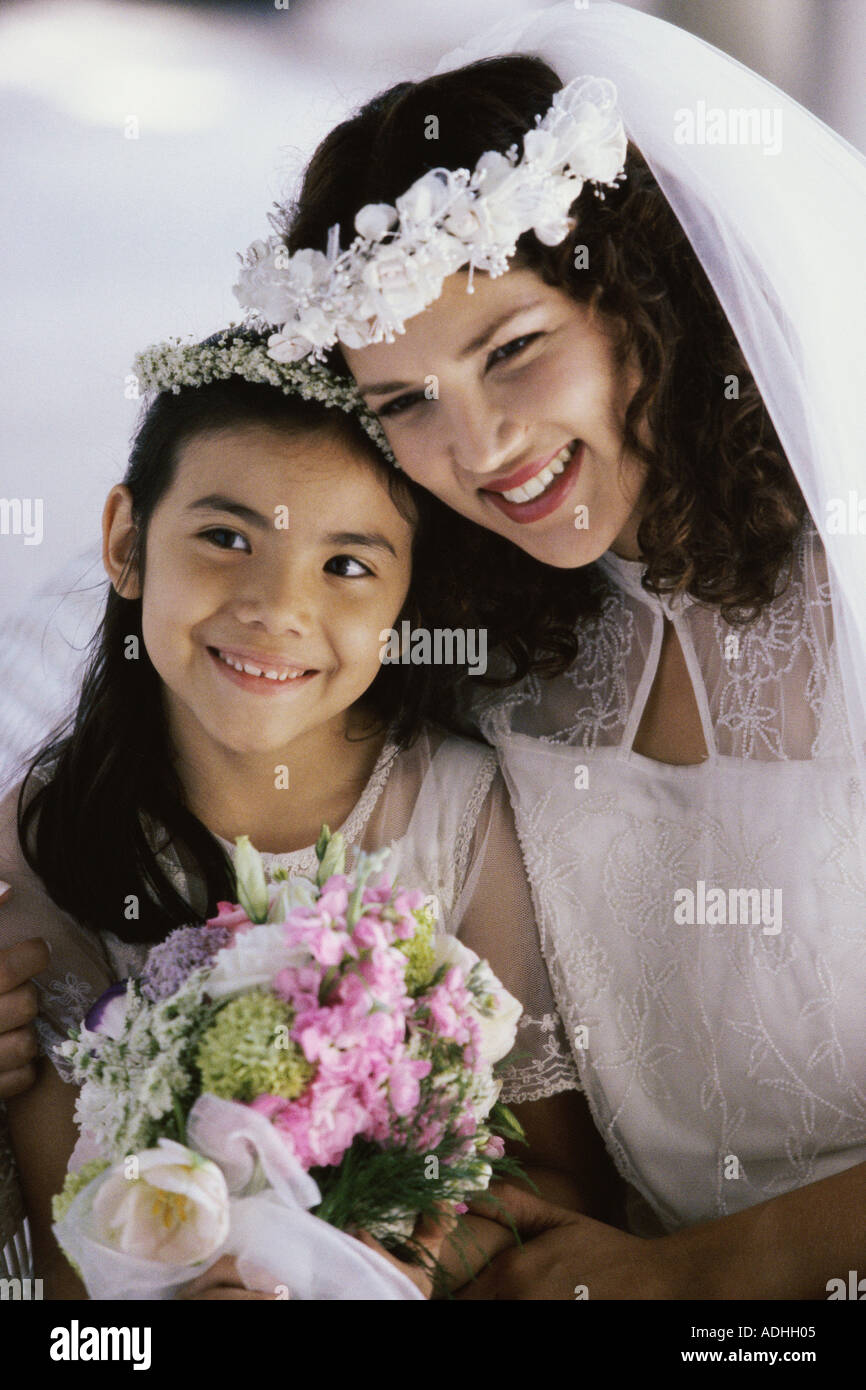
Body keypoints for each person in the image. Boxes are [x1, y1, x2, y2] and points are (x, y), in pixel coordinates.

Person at [214, 5, 866, 1297]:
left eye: (511, 349)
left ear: (639, 305)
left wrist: (697, 1276)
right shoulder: (492, 641)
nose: (478, 446)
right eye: (403, 402)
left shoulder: (847, 572)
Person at [0, 329, 618, 1299]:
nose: (275, 607)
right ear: (126, 541)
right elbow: (68, 1250)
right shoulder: (49, 833)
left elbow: (556, 1175)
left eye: (346, 566)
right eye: (226, 537)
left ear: (407, 600)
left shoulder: (455, 812)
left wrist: (374, 1265)